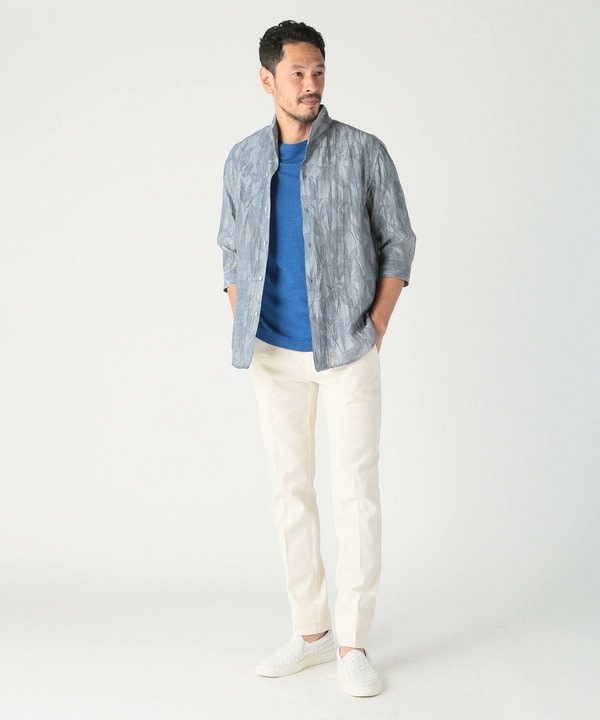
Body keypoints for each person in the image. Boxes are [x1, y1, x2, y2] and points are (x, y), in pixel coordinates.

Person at [217, 19, 416, 697]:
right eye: (297, 73)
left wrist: (378, 320)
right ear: (267, 79)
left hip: (346, 349)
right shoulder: (243, 159)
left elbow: (398, 240)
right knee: (290, 492)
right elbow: (229, 245)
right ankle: (311, 633)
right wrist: (242, 312)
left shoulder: (363, 152)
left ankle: (353, 642)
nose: (311, 85)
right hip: (272, 352)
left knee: (356, 493)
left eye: (319, 71)